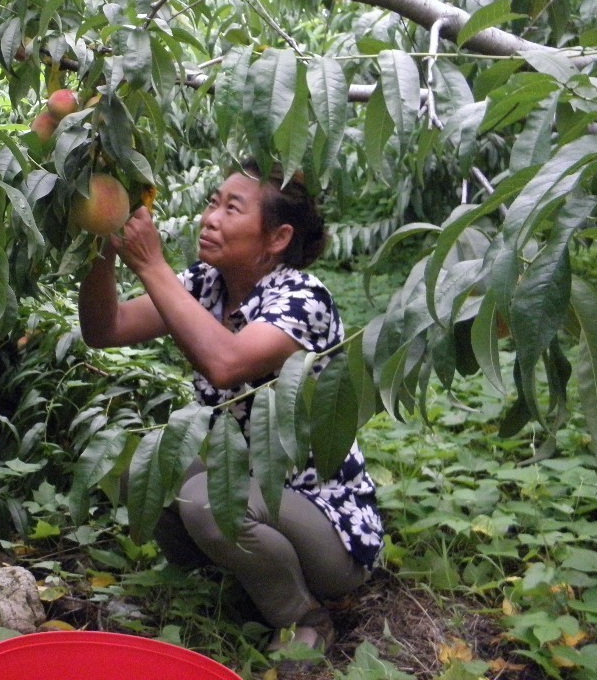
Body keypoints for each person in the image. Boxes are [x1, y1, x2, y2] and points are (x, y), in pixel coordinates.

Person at [77, 159, 383, 652]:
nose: (210, 217)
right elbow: (105, 329)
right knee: (144, 471)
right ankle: (222, 582)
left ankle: (302, 617)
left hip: (323, 521)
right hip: (250, 484)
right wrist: (103, 246)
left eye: (231, 208)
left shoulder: (303, 297)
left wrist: (151, 265)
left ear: (278, 238)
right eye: (212, 202)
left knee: (207, 502)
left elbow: (226, 363)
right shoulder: (207, 284)